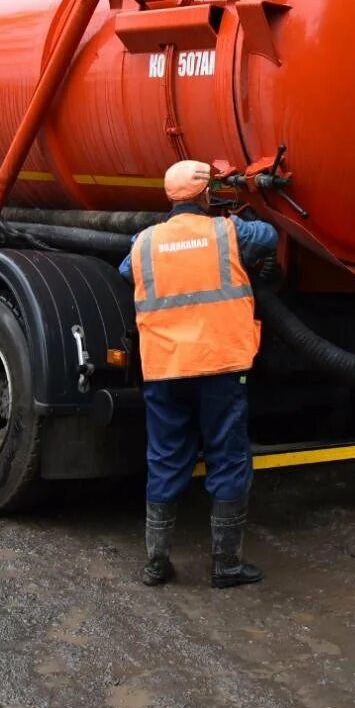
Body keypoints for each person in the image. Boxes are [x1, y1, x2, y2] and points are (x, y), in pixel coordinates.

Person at [119, 160, 278, 589]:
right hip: (219, 364)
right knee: (227, 458)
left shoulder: (144, 243)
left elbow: (124, 272)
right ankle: (225, 566)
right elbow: (269, 235)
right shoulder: (228, 232)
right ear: (206, 195)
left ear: (169, 198)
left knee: (166, 458)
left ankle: (156, 563)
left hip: (165, 368)